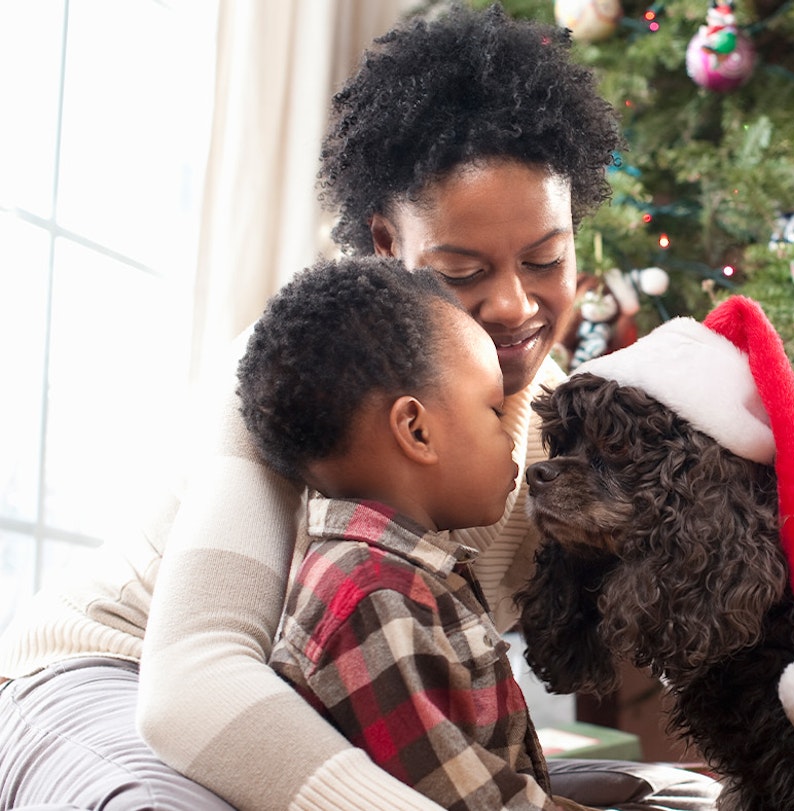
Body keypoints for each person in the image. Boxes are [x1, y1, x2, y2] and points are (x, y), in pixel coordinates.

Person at [0, 5, 720, 810]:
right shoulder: (310, 367)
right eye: (462, 268)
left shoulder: (568, 430)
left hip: (329, 717)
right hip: (111, 674)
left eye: (546, 257)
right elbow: (192, 687)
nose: (515, 304)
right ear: (387, 244)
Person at [240, 256, 580, 811]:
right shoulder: (375, 597)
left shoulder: (407, 576)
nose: (512, 437)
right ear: (416, 429)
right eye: (494, 411)